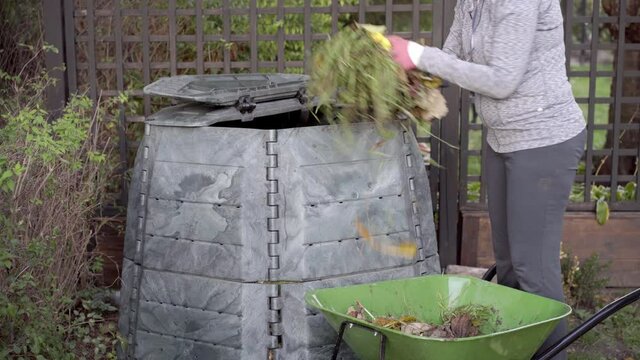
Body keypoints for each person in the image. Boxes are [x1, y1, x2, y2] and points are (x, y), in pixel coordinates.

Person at [388, 0, 586, 359]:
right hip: (504, 139)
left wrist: (418, 53)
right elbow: (452, 59)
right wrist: (409, 79)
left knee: (534, 270)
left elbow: (501, 80)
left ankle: (553, 354)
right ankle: (515, 351)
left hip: (543, 139)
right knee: (509, 266)